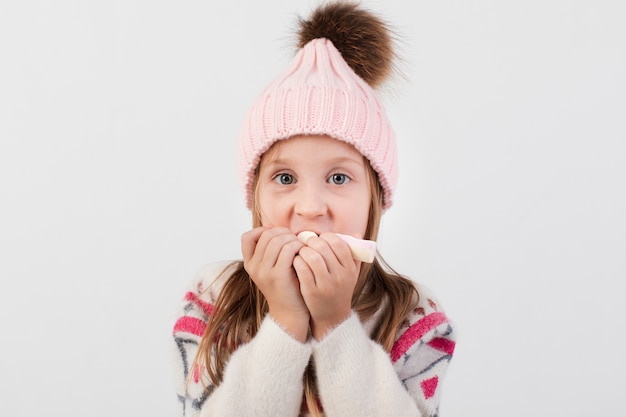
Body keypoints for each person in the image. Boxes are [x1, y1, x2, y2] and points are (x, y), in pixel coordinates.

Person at [172, 2, 455, 416]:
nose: (310, 208)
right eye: (285, 179)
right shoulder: (213, 298)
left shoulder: (414, 314)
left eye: (339, 178)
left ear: (375, 197)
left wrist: (336, 325)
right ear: (255, 196)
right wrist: (285, 321)